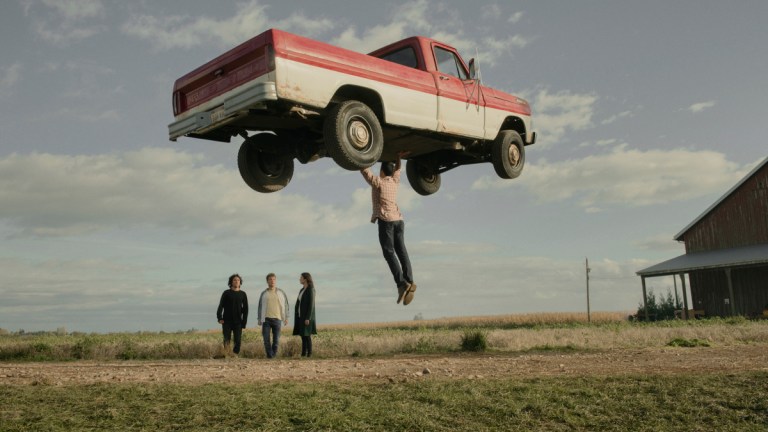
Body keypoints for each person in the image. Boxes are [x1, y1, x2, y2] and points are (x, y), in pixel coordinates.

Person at [361, 152, 417, 305]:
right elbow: (399, 169)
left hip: (386, 222)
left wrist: (358, 157)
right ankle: (409, 280)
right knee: (401, 250)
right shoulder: (395, 180)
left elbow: (365, 171)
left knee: (389, 252)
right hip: (399, 220)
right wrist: (398, 157)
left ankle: (401, 284)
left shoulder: (378, 182)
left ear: (382, 171)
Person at [257, 273, 290, 358]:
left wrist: (286, 317)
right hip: (266, 319)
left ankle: (273, 355)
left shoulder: (281, 292)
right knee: (266, 340)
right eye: (270, 279)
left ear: (275, 281)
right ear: (267, 281)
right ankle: (270, 356)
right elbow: (260, 306)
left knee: (276, 341)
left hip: (277, 319)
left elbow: (286, 305)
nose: (272, 281)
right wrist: (259, 318)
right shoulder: (264, 293)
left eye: (274, 279)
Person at [216, 274, 248, 356]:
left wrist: (244, 322)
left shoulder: (243, 294)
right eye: (234, 280)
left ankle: (234, 355)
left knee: (238, 340)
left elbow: (245, 309)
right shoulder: (226, 293)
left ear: (240, 282)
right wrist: (219, 317)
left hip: (238, 321)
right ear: (231, 282)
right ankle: (226, 354)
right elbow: (221, 306)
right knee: (227, 339)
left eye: (238, 280)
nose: (236, 281)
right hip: (226, 321)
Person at [292, 272, 317, 357]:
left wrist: (308, 318)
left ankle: (309, 353)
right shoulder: (302, 290)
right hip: (300, 316)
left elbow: (311, 305)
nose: (300, 279)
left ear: (305, 279)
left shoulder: (311, 289)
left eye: (301, 278)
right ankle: (303, 353)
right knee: (302, 335)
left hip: (307, 317)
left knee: (307, 335)